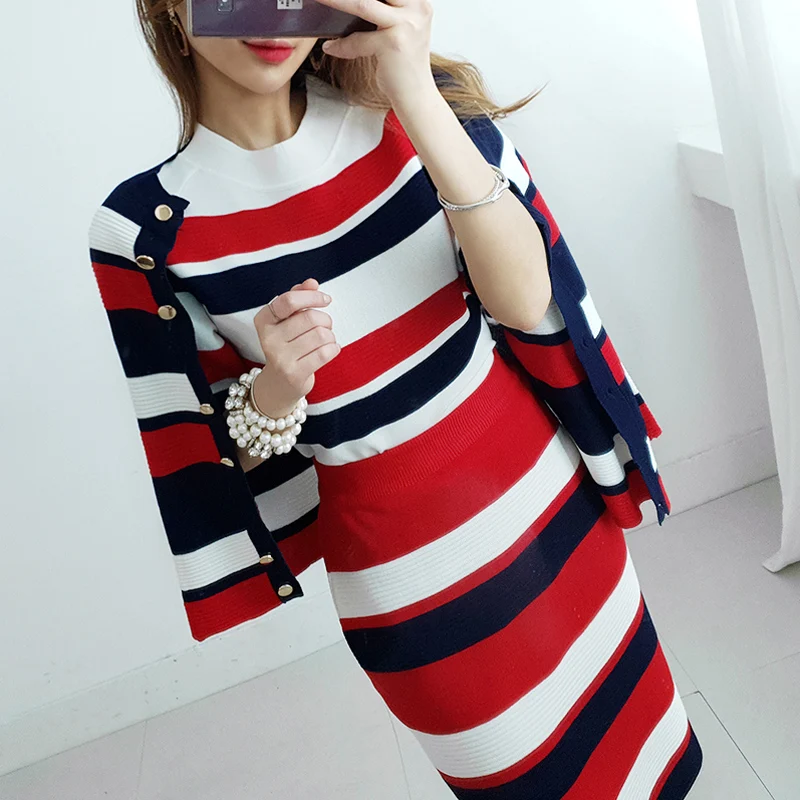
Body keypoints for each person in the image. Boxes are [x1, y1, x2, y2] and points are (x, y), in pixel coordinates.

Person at [87, 0, 703, 796]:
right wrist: (277, 385)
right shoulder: (145, 229)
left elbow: (526, 300)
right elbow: (204, 459)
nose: (271, 15)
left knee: (646, 758)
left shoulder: (411, 114)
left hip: (553, 506)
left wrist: (411, 86)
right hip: (413, 579)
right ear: (170, 8)